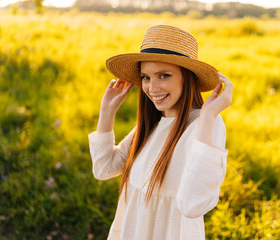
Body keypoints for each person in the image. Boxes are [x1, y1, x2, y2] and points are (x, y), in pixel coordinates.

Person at [88, 25, 233, 240]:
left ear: (187, 77)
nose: (152, 88)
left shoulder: (206, 124)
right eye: (145, 77)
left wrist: (208, 115)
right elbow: (104, 168)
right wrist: (107, 112)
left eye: (163, 75)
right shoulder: (154, 122)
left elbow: (193, 204)